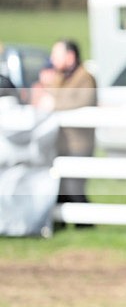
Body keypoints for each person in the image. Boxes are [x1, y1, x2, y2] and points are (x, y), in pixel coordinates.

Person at [36, 40, 97, 206]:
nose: (52, 59)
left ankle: (84, 224)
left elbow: (82, 102)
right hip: (60, 142)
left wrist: (53, 104)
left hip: (78, 144)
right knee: (60, 189)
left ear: (70, 56)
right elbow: (46, 98)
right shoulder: (59, 77)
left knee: (74, 189)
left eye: (56, 55)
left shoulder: (85, 78)